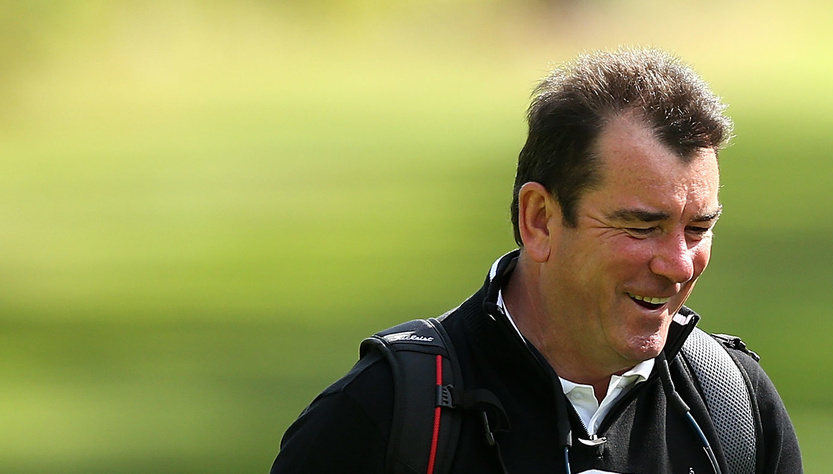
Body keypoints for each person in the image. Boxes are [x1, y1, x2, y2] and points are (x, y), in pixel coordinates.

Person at [273, 49, 803, 474]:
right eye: (642, 227)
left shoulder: (733, 407)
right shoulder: (388, 413)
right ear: (540, 221)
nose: (679, 265)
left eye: (698, 229)